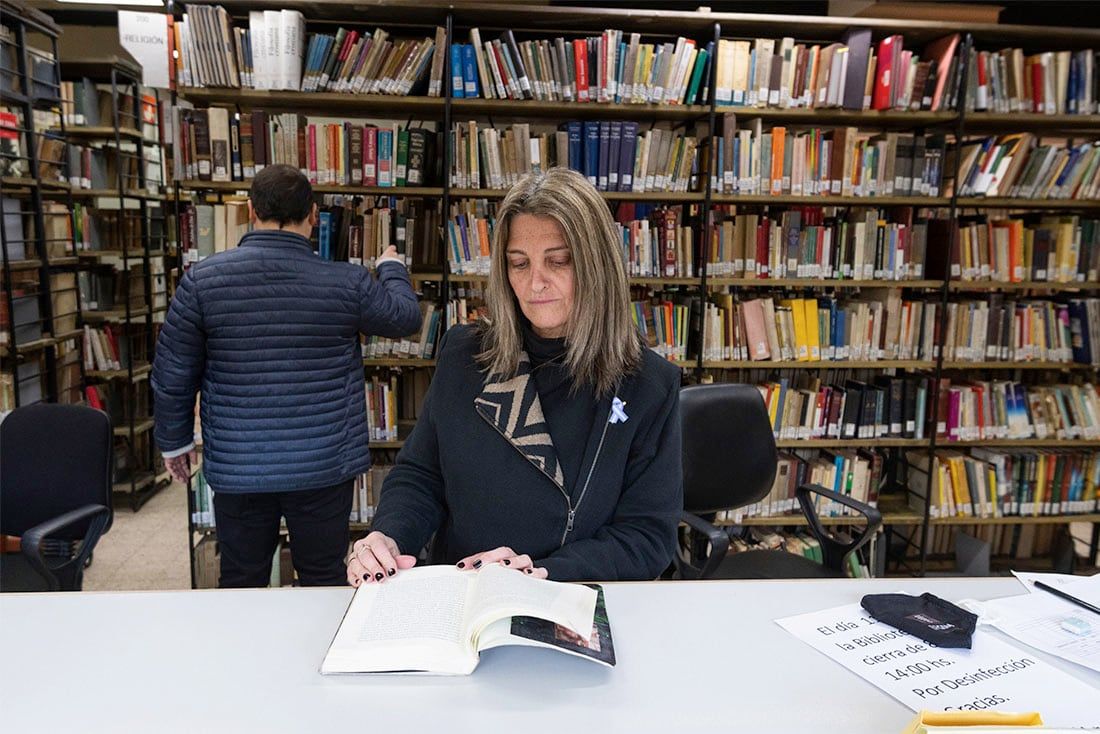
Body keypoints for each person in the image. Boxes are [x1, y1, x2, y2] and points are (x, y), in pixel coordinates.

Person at [347, 167, 682, 585]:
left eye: (558, 261)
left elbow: (646, 536)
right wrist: (390, 537)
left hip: (568, 596)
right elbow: (422, 474)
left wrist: (540, 574)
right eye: (518, 264)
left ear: (597, 265)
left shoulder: (647, 383)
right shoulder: (466, 355)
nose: (535, 283)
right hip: (462, 596)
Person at [152, 164, 422, 587]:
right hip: (323, 465)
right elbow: (405, 317)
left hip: (240, 468)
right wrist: (391, 266)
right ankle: (321, 653)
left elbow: (173, 372)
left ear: (249, 210)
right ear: (313, 215)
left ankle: (245, 654)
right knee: (322, 577)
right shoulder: (346, 282)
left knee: (241, 577)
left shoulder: (203, 281)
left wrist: (175, 443)